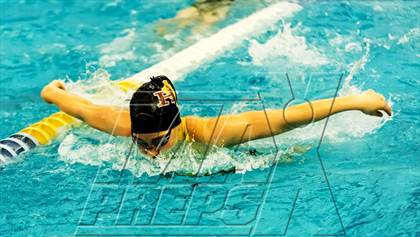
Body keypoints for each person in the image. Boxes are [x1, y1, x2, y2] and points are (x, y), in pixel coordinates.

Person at [40, 75, 392, 158]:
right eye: (142, 143)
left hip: (227, 159)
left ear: (176, 125)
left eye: (160, 141)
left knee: (287, 153)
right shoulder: (123, 125)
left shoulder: (213, 133)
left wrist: (354, 101)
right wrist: (53, 92)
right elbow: (79, 107)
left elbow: (286, 119)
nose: (152, 153)